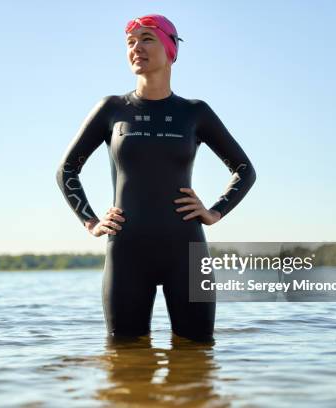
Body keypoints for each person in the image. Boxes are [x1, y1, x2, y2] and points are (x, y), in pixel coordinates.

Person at [56, 14, 256, 342]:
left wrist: (214, 212)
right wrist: (91, 221)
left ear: (170, 47)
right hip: (127, 252)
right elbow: (66, 170)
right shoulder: (112, 109)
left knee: (198, 358)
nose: (137, 48)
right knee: (125, 361)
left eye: (147, 38)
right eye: (130, 42)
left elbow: (245, 170)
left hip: (186, 251)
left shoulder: (195, 113)